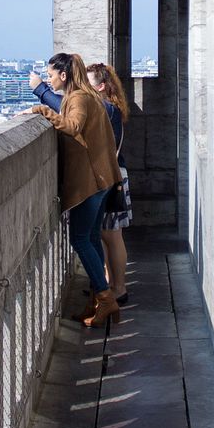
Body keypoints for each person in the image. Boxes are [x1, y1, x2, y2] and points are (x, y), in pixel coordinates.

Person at [26, 53, 122, 327]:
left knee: (80, 238)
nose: (49, 79)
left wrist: (41, 110)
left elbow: (73, 126)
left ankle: (105, 299)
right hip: (102, 179)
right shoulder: (88, 95)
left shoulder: (78, 97)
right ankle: (98, 301)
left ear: (63, 75)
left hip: (92, 181)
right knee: (90, 237)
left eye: (51, 74)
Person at [86, 62, 132, 305]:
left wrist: (40, 90)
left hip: (113, 178)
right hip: (112, 176)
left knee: (112, 235)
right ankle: (110, 284)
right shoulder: (108, 107)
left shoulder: (106, 108)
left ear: (101, 86)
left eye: (88, 84)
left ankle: (119, 288)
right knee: (106, 234)